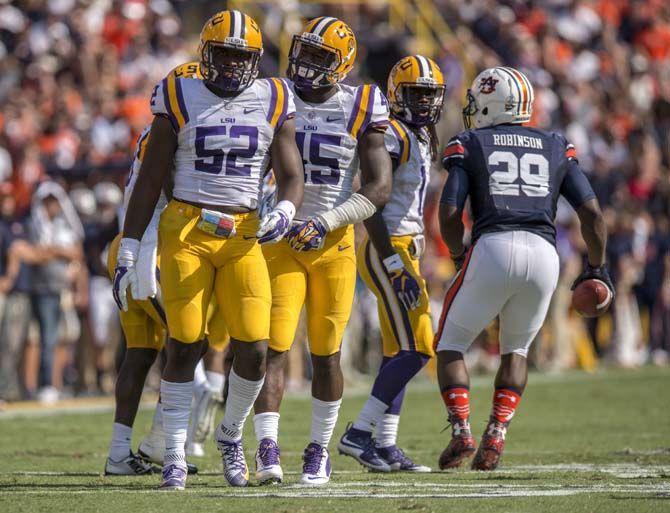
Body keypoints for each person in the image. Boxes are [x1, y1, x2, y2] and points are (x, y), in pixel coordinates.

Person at [113, 10, 304, 490]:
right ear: (205, 53)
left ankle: (230, 437)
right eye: (223, 54)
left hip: (244, 234)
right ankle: (174, 453)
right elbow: (150, 179)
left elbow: (292, 173)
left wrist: (286, 206)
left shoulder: (274, 95)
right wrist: (130, 247)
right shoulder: (179, 91)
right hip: (187, 228)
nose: (233, 66)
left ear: (256, 60)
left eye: (242, 57)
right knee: (185, 342)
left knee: (256, 348)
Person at [435, 67, 613, 471]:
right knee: (517, 349)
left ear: (490, 104)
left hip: (492, 245)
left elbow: (449, 212)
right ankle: (496, 434)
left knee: (450, 343)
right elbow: (592, 214)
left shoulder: (469, 141)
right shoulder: (554, 143)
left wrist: (459, 253)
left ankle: (461, 429)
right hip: (544, 255)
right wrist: (597, 269)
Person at [252, 16, 391, 486]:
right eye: (305, 52)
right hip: (281, 239)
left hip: (332, 240)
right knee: (272, 346)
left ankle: (318, 448)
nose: (307, 64)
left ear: (344, 64)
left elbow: (378, 188)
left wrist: (326, 221)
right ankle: (267, 445)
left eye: (321, 57)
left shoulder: (364, 104)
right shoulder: (275, 94)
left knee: (326, 352)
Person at [105, 62, 215, 476]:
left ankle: (120, 453)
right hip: (149, 252)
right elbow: (170, 192)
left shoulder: (154, 131)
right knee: (189, 343)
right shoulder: (170, 135)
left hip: (129, 245)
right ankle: (161, 444)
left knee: (140, 354)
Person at [339, 55, 445, 473]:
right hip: (389, 247)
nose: (422, 103)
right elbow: (373, 201)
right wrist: (391, 259)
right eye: (415, 94)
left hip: (407, 247)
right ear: (397, 94)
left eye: (429, 95)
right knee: (420, 346)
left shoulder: (420, 135)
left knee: (397, 349)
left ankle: (384, 443)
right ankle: (360, 433)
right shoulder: (393, 133)